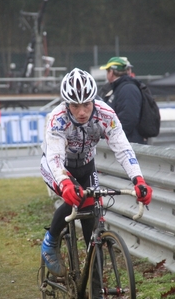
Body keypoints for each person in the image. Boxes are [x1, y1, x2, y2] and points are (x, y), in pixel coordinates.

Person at [40, 67, 152, 280]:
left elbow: (123, 148)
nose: (82, 111)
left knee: (92, 225)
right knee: (75, 197)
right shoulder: (58, 118)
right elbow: (54, 157)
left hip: (85, 165)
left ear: (94, 100)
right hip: (56, 167)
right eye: (75, 105)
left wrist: (138, 179)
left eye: (87, 104)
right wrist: (64, 182)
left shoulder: (105, 113)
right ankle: (50, 243)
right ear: (66, 104)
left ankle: (94, 285)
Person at [99, 57, 147, 144]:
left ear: (111, 72)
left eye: (107, 71)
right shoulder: (118, 88)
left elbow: (128, 119)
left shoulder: (128, 89)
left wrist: (112, 137)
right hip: (123, 142)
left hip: (129, 144)